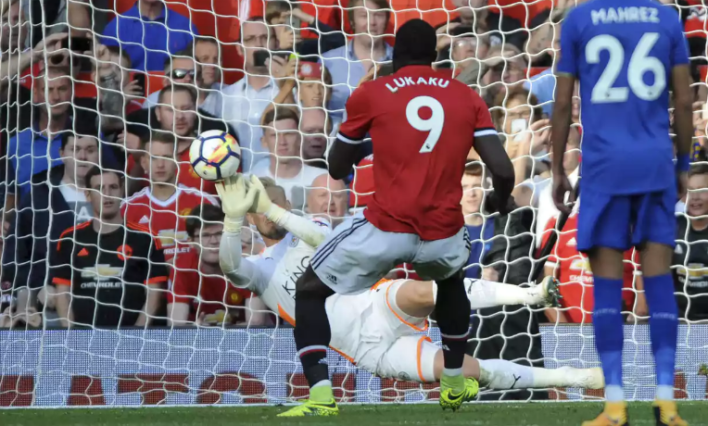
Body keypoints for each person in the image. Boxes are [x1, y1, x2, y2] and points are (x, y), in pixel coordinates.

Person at [282, 19, 515, 416]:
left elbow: (337, 167)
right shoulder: (466, 96)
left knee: (308, 290)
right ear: (434, 55)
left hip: (386, 226)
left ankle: (321, 397)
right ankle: (455, 383)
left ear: (395, 54)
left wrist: (375, 138)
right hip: (443, 229)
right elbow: (505, 171)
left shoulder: (373, 93)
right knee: (451, 280)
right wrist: (497, 199)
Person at [216, 175, 601, 409]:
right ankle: (571, 377)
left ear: (285, 203)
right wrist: (232, 220)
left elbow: (321, 239)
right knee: (470, 371)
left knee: (425, 291)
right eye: (256, 212)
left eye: (270, 206)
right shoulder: (262, 270)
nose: (264, 216)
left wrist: (273, 208)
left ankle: (530, 295)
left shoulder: (311, 225)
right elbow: (231, 267)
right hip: (368, 349)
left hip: (376, 303)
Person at [551, 1, 692, 424]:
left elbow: (561, 104)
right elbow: (684, 102)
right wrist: (683, 164)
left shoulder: (579, 18)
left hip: (603, 167)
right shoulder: (667, 17)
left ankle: (614, 405)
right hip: (653, 163)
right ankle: (666, 403)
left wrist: (558, 168)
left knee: (608, 287)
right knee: (659, 280)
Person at [49, 166, 168, 328]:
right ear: (88, 195)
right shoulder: (70, 239)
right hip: (84, 338)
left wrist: (138, 334)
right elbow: (63, 294)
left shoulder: (146, 238)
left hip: (132, 336)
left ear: (122, 191)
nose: (107, 194)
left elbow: (155, 293)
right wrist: (72, 335)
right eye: (99, 188)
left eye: (113, 187)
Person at [3, 130, 100, 320]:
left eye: (90, 150)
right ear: (62, 153)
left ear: (98, 154)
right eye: (75, 149)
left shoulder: (112, 194)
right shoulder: (38, 196)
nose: (82, 156)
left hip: (103, 300)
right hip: (49, 306)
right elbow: (15, 255)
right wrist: (37, 288)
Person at [122, 131, 219, 262]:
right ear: (144, 163)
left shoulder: (203, 201)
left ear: (177, 161)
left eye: (167, 157)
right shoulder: (127, 208)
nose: (160, 165)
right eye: (154, 158)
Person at [167, 204, 266, 326]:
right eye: (205, 235)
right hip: (196, 342)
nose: (214, 241)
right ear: (191, 242)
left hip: (245, 340)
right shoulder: (182, 268)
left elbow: (256, 324)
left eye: (219, 233)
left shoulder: (247, 263)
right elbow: (176, 326)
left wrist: (213, 334)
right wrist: (194, 330)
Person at [221, 18, 279, 171]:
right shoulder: (224, 98)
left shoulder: (292, 92)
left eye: (265, 38)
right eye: (250, 39)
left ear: (276, 44)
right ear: (239, 49)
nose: (259, 44)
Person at [320, 0, 393, 114]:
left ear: (387, 21)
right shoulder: (327, 61)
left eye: (378, 15)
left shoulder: (402, 62)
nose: (372, 22)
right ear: (352, 22)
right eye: (364, 15)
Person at [252, 108, 327, 211]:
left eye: (288, 134)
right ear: (264, 141)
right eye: (275, 135)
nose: (282, 142)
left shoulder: (322, 180)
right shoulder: (250, 181)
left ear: (300, 138)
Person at [100, 0, 197, 72]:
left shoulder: (186, 27)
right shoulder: (115, 27)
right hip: (129, 95)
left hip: (174, 95)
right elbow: (106, 70)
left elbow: (197, 69)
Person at [674, 164, 708, 321]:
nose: (695, 197)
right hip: (681, 319)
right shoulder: (673, 228)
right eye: (690, 190)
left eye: (701, 190)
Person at [461, 163, 494, 279]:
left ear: (488, 186)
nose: (471, 194)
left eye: (477, 186)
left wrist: (499, 276)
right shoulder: (443, 231)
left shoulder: (502, 228)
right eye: (464, 187)